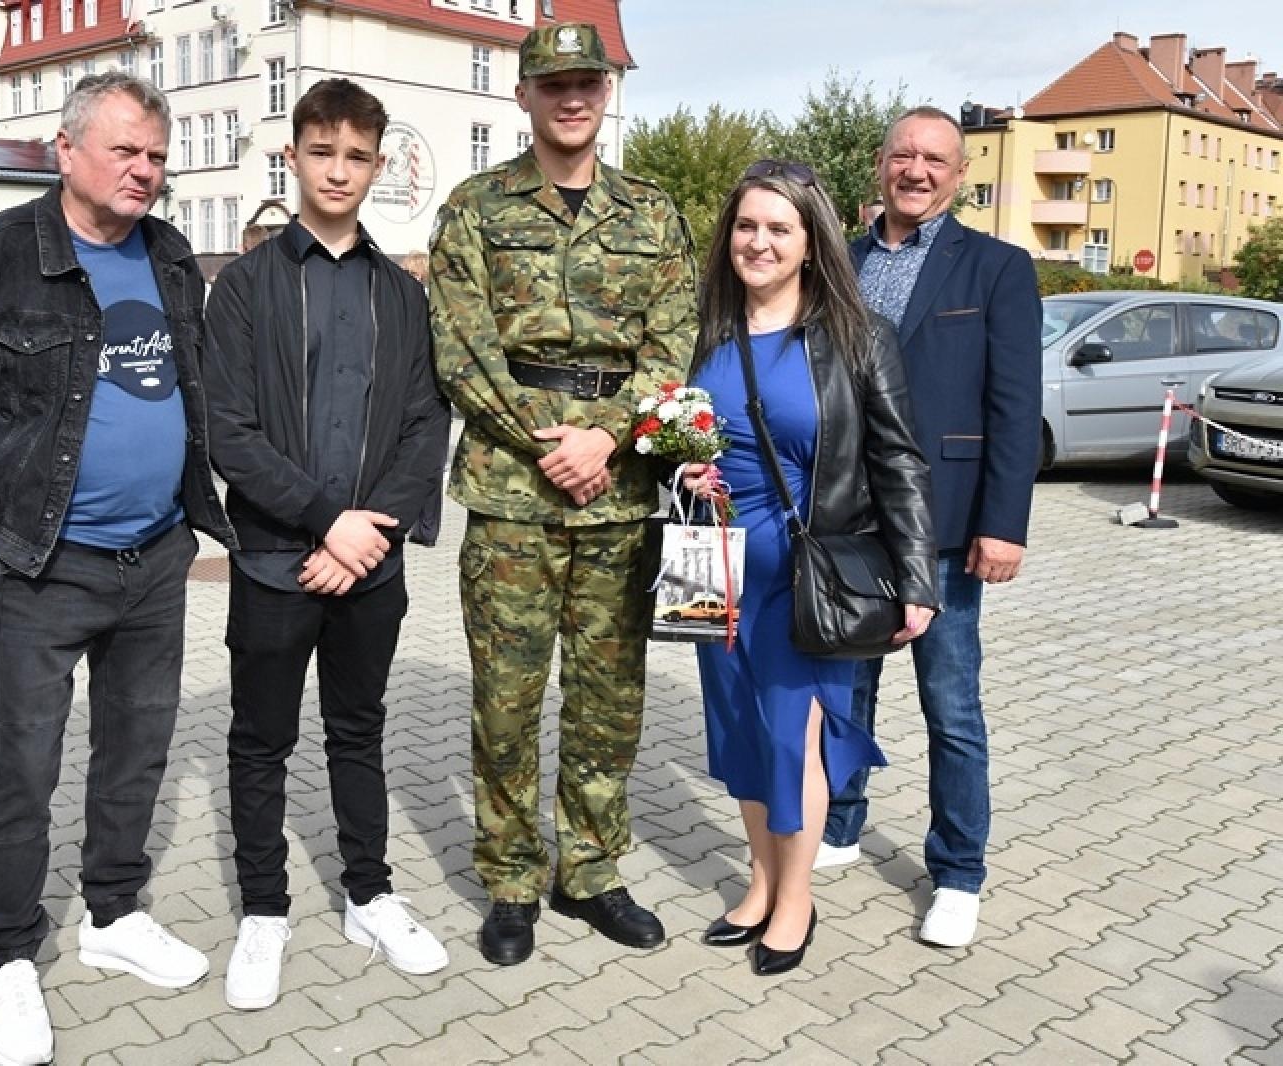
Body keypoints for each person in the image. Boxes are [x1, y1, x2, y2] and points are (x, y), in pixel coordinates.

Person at [0, 71, 234, 1066]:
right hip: (45, 566)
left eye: (158, 156)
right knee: (24, 760)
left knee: (136, 746)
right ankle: (8, 955)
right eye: (127, 150)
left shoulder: (170, 255)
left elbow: (188, 384)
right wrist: (6, 490)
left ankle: (114, 912)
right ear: (66, 149)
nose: (146, 171)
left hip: (154, 556)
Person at [428, 22, 698, 966]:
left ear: (606, 90)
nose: (572, 97)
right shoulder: (474, 207)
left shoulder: (654, 214)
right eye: (553, 83)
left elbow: (674, 348)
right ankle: (509, 876)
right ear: (525, 96)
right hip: (512, 491)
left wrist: (607, 436)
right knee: (505, 698)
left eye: (587, 81)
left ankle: (589, 870)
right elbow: (461, 351)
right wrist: (550, 445)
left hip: (618, 493)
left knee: (607, 697)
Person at [203, 77, 453, 1011]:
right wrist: (324, 520)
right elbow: (227, 429)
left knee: (359, 731)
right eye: (322, 152)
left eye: (357, 157)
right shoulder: (245, 290)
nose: (338, 171)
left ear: (378, 167)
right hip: (276, 559)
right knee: (261, 739)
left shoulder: (402, 293)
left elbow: (426, 424)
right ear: (294, 157)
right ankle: (264, 910)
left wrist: (365, 535)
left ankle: (369, 893)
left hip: (370, 563)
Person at [677, 160, 937, 975]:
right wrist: (683, 468)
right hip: (710, 563)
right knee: (738, 735)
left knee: (794, 736)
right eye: (746, 227)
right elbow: (692, 434)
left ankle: (797, 900)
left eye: (777, 229)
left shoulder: (858, 336)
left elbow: (899, 459)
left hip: (806, 567)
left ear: (810, 243)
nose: (758, 242)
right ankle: (758, 883)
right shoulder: (710, 331)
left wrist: (918, 578)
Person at [820, 106, 1043, 949]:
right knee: (847, 692)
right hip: (847, 523)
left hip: (947, 530)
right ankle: (840, 823)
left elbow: (1015, 407)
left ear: (960, 174)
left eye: (935, 159)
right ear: (881, 163)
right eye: (903, 155)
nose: (917, 170)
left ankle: (958, 871)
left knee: (951, 706)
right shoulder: (837, 258)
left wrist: (1004, 524)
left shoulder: (997, 268)